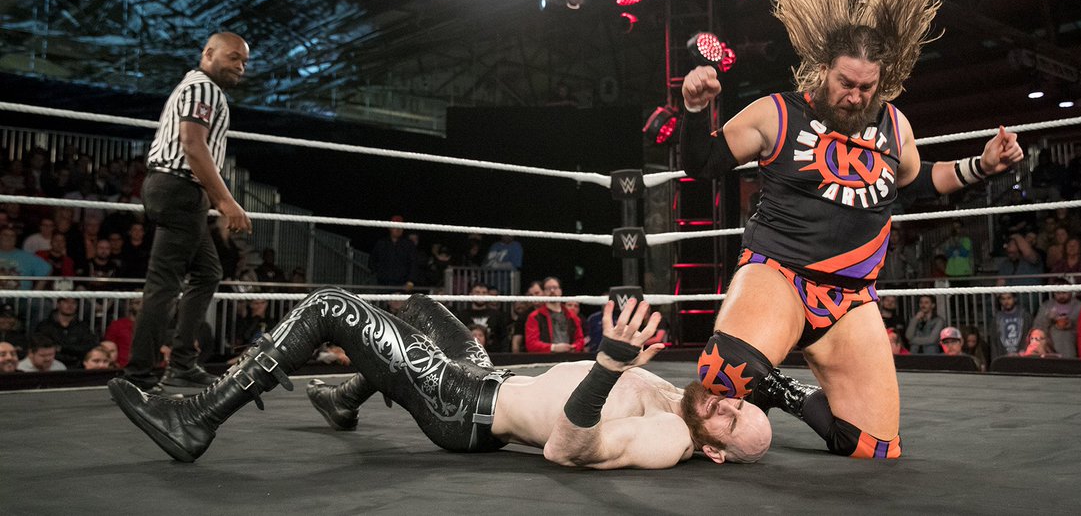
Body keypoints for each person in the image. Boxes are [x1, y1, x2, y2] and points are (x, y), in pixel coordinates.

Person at [680, 0, 1023, 458]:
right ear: (822, 71)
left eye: (868, 87)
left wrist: (980, 164)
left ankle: (793, 392)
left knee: (875, 448)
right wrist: (696, 110)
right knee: (726, 373)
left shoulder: (894, 123)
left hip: (852, 299)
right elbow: (704, 165)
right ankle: (774, 384)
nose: (855, 96)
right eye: (846, 83)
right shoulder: (776, 114)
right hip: (780, 275)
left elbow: (919, 179)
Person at [108, 289, 772, 468]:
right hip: (483, 375)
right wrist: (626, 362)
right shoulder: (679, 398)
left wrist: (606, 365)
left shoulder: (667, 439)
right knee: (423, 307)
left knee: (329, 305)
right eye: (737, 403)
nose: (726, 403)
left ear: (714, 450)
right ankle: (345, 396)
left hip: (465, 407)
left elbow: (566, 448)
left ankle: (194, 418)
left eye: (732, 420)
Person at [124, 32, 251, 393]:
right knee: (163, 285)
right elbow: (193, 145)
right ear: (208, 53)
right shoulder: (204, 89)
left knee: (208, 271)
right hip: (179, 188)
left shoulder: (196, 86)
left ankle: (181, 363)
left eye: (243, 61)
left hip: (178, 190)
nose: (240, 67)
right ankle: (139, 375)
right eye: (232, 57)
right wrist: (226, 201)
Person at [524, 277, 585, 354]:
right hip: (545, 361)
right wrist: (554, 348)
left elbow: (580, 340)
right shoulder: (535, 317)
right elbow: (531, 344)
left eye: (555, 288)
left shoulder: (572, 316)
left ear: (560, 291)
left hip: (569, 359)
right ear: (544, 292)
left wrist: (573, 347)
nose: (552, 291)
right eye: (548, 288)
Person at [33, 297, 98, 368]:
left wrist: (62, 348)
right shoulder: (45, 326)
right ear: (58, 304)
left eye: (73, 303)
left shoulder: (83, 326)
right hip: (51, 366)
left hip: (78, 366)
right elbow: (42, 346)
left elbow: (89, 347)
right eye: (66, 302)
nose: (70, 305)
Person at [1033, 287, 1081, 358]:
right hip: (1050, 344)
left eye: (1064, 292)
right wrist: (1049, 319)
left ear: (1071, 292)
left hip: (1071, 344)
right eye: (1058, 293)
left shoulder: (1079, 306)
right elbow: (1038, 328)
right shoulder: (1046, 306)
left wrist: (1071, 324)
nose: (1061, 296)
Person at [368, 216, 417, 289]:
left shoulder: (408, 244)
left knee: (400, 299)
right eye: (395, 226)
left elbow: (414, 263)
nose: (398, 229)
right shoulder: (381, 243)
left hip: (402, 284)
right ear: (390, 228)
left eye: (401, 227)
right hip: (383, 283)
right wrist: (378, 274)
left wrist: (411, 280)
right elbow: (372, 260)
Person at [990, 292, 1033, 358]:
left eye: (1009, 298)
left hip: (1023, 356)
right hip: (1003, 358)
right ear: (1000, 301)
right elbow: (994, 342)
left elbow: (1030, 335)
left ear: (1015, 298)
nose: (1006, 301)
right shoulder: (997, 318)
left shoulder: (1024, 315)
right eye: (1003, 299)